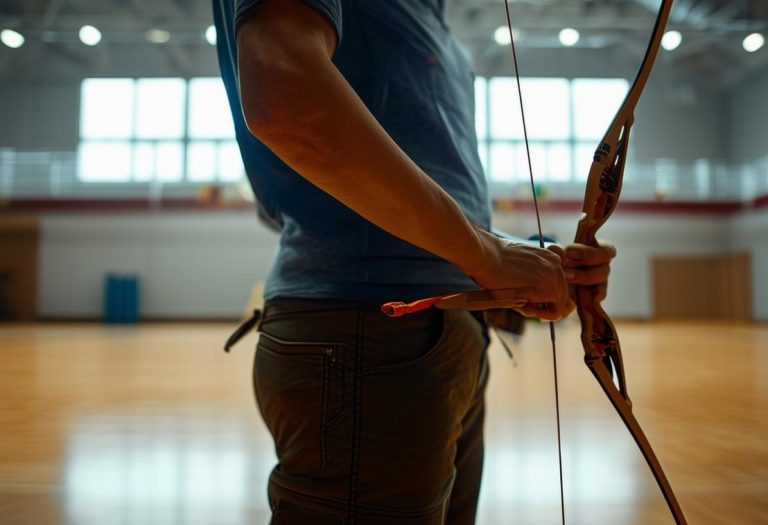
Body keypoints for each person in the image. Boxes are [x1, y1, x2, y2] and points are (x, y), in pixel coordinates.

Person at [213, 0, 616, 523]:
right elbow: (284, 97)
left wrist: (524, 258)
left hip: (444, 336)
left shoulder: (433, 21)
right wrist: (486, 252)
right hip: (370, 336)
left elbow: (431, 185)